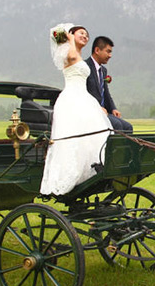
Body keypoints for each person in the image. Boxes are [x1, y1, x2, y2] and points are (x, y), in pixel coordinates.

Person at [40, 24, 112, 196]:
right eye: (82, 34)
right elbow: (66, 49)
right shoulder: (69, 52)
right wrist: (70, 38)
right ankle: (70, 177)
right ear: (71, 35)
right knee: (74, 140)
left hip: (83, 98)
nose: (85, 37)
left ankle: (92, 172)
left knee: (93, 137)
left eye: (87, 35)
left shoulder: (78, 54)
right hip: (71, 99)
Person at [86, 36, 133, 133]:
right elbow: (83, 93)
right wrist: (97, 107)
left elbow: (106, 93)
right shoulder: (85, 67)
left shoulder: (103, 70)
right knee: (117, 125)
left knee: (128, 127)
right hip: (91, 111)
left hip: (105, 112)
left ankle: (126, 148)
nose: (110, 55)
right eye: (108, 51)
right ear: (97, 50)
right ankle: (113, 148)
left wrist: (113, 108)